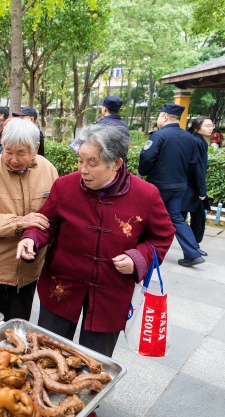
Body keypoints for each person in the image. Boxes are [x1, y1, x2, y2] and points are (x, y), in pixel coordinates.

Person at [18, 124, 175, 358]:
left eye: (92, 163)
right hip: (62, 285)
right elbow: (46, 223)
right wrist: (31, 238)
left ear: (116, 163)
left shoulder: (146, 195)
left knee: (94, 361)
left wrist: (137, 258)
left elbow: (162, 236)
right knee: (47, 352)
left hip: (111, 291)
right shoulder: (65, 186)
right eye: (80, 161)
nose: (83, 170)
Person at [0, 118, 58, 320]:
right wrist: (20, 222)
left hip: (29, 269)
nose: (14, 159)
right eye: (8, 151)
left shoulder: (48, 170)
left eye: (21, 153)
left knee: (19, 325)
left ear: (35, 148)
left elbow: (54, 215)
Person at [139, 103, 204, 267]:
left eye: (159, 116)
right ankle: (193, 253)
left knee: (145, 214)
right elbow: (193, 163)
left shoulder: (159, 136)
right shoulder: (190, 138)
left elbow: (147, 158)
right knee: (176, 218)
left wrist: (143, 171)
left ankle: (137, 248)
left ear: (165, 117)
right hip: (179, 185)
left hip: (158, 185)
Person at [182, 116, 211, 256]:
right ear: (197, 127)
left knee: (180, 218)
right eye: (207, 126)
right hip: (191, 186)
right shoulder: (197, 141)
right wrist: (202, 191)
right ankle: (193, 247)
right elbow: (198, 168)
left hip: (189, 186)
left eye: (211, 125)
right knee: (195, 217)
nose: (211, 128)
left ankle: (193, 246)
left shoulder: (198, 140)